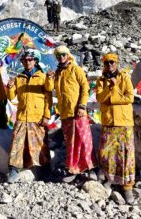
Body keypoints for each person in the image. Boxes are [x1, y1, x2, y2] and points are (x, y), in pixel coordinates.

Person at [45, 45, 96, 182]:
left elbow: (85, 87)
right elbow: (50, 88)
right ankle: (74, 168)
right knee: (71, 142)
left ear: (68, 55)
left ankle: (89, 168)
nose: (61, 57)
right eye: (58, 55)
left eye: (63, 54)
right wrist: (49, 78)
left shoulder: (76, 69)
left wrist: (82, 105)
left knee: (84, 140)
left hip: (78, 111)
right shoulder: (57, 72)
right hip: (65, 113)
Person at [6, 48, 52, 183]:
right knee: (17, 143)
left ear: (35, 61)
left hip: (37, 116)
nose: (27, 62)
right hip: (22, 115)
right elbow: (11, 96)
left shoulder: (42, 77)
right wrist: (9, 87)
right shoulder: (19, 78)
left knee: (40, 144)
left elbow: (48, 94)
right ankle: (14, 169)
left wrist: (46, 116)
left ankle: (45, 170)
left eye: (30, 60)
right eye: (25, 60)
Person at [96, 53, 135, 204]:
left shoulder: (124, 78)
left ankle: (127, 187)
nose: (109, 65)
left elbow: (129, 97)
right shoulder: (100, 81)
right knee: (108, 153)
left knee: (126, 154)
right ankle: (110, 179)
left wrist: (115, 90)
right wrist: (109, 88)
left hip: (124, 122)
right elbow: (100, 98)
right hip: (109, 122)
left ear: (117, 63)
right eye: (107, 63)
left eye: (112, 62)